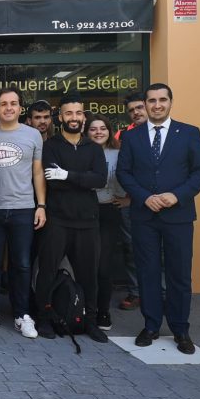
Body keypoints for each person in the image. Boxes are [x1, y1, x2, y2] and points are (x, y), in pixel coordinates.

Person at [117, 83, 200, 355]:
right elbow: (124, 173)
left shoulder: (189, 133)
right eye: (152, 100)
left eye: (162, 100)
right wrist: (144, 197)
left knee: (179, 274)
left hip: (178, 215)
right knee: (148, 272)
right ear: (145, 104)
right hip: (145, 215)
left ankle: (180, 329)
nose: (157, 105)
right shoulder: (132, 137)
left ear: (170, 102)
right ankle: (151, 325)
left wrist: (177, 195)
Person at [35, 96, 108, 343]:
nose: (74, 118)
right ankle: (44, 318)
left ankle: (91, 321)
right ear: (61, 117)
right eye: (69, 113)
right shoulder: (51, 146)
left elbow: (100, 180)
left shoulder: (93, 148)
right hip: (58, 220)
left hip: (88, 222)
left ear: (84, 116)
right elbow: (52, 180)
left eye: (78, 113)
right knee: (47, 271)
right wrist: (81, 178)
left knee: (89, 275)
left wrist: (66, 174)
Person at [0, 86, 46, 339]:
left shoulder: (33, 135)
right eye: (3, 103)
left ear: (20, 108)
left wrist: (41, 205)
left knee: (22, 264)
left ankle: (22, 315)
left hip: (23, 208)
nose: (8, 107)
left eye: (13, 103)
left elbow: (37, 172)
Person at [87, 114, 127, 331]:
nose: (98, 132)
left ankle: (103, 311)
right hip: (84, 212)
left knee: (103, 266)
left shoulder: (119, 153)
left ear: (109, 131)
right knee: (84, 264)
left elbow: (132, 177)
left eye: (103, 128)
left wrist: (129, 199)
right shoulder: (81, 152)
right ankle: (84, 309)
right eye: (93, 129)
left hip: (108, 212)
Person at [116, 91, 147, 310]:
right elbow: (121, 171)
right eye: (131, 110)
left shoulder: (168, 133)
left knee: (162, 251)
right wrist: (131, 199)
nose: (136, 112)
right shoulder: (122, 135)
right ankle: (136, 292)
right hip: (131, 203)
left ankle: (162, 294)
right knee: (132, 249)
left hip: (163, 203)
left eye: (139, 107)